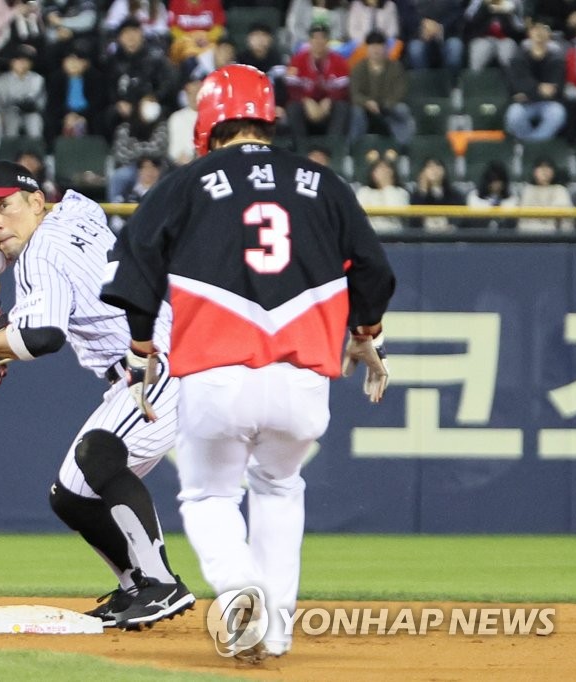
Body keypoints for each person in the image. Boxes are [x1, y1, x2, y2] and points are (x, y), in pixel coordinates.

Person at [99, 64, 395, 659]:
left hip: (216, 373)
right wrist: (365, 333)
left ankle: (240, 592)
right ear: (268, 117)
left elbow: (132, 268)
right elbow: (375, 271)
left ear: (209, 122)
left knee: (209, 497)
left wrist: (139, 345)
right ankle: (278, 628)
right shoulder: (323, 182)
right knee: (281, 486)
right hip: (303, 377)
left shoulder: (187, 182)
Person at [0, 160, 195, 630]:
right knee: (70, 495)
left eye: (4, 207)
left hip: (158, 367)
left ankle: (163, 584)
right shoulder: (77, 210)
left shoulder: (41, 254)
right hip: (152, 363)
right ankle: (136, 587)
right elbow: (58, 286)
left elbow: (43, 337)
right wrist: (5, 242)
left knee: (97, 457)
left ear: (37, 202)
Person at [349, 30, 415, 149]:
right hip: (366, 110)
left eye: (380, 46)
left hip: (388, 107)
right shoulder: (358, 68)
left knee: (402, 109)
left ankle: (404, 147)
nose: (376, 50)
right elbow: (355, 93)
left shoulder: (395, 66)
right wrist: (367, 102)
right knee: (356, 111)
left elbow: (400, 90)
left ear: (386, 48)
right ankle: (354, 148)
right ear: (367, 48)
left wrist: (386, 104)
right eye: (372, 46)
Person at [285, 24, 351, 141]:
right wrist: (306, 100)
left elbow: (343, 89)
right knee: (293, 107)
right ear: (309, 41)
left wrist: (329, 100)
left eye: (323, 38)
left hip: (329, 107)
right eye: (315, 38)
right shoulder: (298, 60)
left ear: (328, 41)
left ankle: (332, 146)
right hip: (306, 107)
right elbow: (291, 87)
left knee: (342, 106)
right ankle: (301, 146)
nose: (319, 41)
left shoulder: (338, 60)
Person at [504, 21, 567, 143]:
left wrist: (528, 91)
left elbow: (555, 89)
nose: (539, 33)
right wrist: (539, 88)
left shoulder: (557, 59)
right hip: (525, 105)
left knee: (558, 113)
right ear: (530, 33)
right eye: (535, 30)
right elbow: (515, 85)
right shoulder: (519, 58)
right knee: (513, 115)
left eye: (543, 30)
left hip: (547, 104)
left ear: (549, 35)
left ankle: (531, 146)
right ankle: (532, 146)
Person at [517, 157, 575, 233]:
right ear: (534, 171)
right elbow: (523, 220)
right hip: (529, 236)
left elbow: (566, 221)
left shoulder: (560, 190)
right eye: (540, 168)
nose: (544, 171)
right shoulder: (527, 190)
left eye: (548, 168)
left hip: (554, 237)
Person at [355, 156, 409, 232]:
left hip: (394, 237)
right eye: (378, 169)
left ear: (392, 172)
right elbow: (358, 217)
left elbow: (393, 212)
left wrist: (386, 186)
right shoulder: (364, 192)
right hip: (369, 237)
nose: (382, 172)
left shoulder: (401, 192)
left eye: (386, 169)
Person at [409, 156, 464, 231]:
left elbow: (460, 218)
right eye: (430, 167)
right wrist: (423, 191)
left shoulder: (455, 195)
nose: (434, 170)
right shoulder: (417, 196)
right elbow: (414, 221)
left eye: (438, 166)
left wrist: (451, 226)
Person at [465, 159, 518, 230]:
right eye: (493, 180)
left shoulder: (512, 199)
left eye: (499, 181)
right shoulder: (474, 197)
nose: (496, 184)